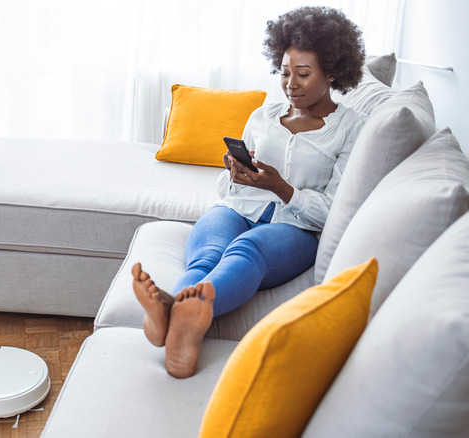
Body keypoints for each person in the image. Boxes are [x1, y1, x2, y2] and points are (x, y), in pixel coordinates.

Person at [133, 6, 368, 379]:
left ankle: (172, 311)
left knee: (247, 250)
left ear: (333, 73)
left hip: (296, 228)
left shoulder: (352, 129)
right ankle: (181, 318)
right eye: (285, 72)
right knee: (208, 254)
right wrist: (234, 172)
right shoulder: (263, 116)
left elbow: (336, 211)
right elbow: (226, 190)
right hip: (239, 208)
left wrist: (282, 189)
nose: (291, 83)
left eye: (303, 74)